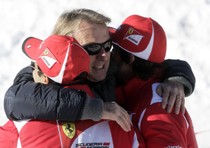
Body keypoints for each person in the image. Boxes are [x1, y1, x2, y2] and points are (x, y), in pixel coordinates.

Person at [4, 9, 195, 131]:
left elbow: (153, 63)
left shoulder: (108, 65)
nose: (103, 55)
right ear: (66, 48)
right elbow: (16, 100)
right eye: (92, 48)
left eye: (108, 46)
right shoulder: (44, 72)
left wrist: (176, 79)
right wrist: (96, 109)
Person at [0, 35, 141, 147]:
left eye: (34, 67)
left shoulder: (18, 128)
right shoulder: (123, 124)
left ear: (44, 78)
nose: (31, 71)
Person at [112, 14, 198, 147]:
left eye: (113, 50)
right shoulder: (128, 87)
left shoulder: (161, 106)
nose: (107, 56)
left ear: (129, 59)